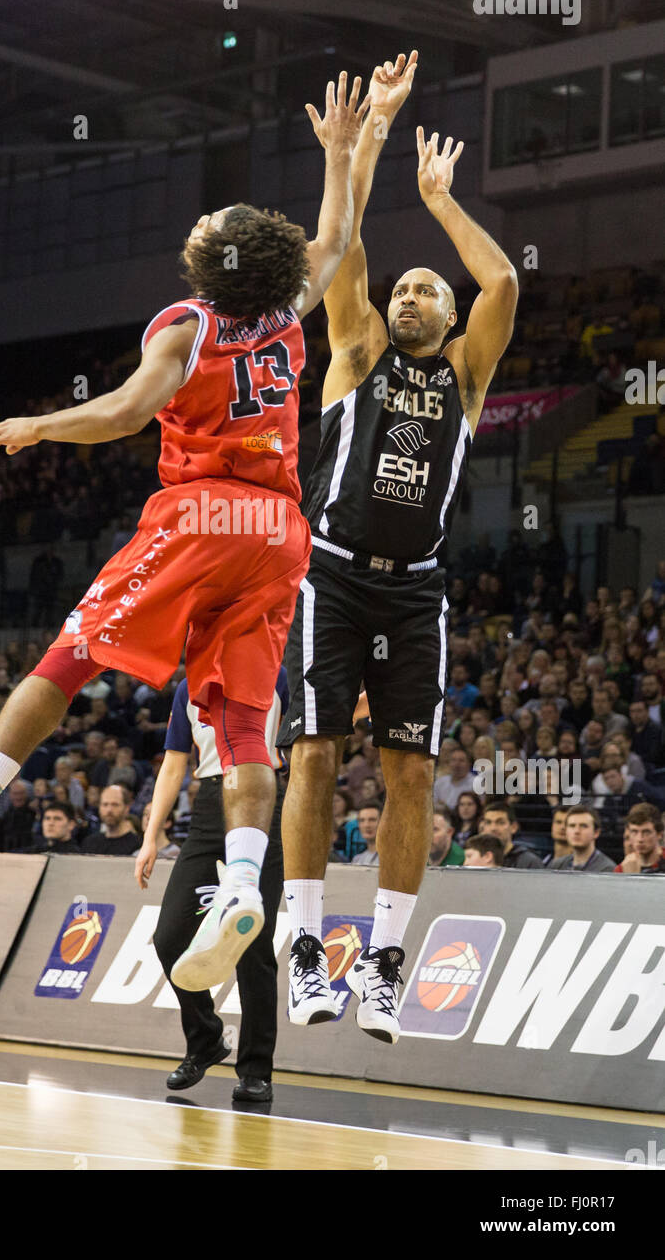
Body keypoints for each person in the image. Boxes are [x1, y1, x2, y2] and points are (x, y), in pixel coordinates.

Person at [0, 69, 365, 1000]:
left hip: (201, 515)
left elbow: (122, 412)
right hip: (280, 531)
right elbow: (340, 239)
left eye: (210, 227)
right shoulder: (285, 313)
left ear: (219, 265)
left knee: (71, 652)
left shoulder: (187, 324)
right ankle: (242, 883)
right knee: (240, 723)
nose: (198, 228)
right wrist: (340, 154)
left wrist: (39, 425)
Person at [279, 54, 518, 1043]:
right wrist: (368, 137)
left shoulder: (464, 377)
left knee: (410, 773)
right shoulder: (356, 350)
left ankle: (381, 963)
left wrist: (442, 201)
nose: (414, 293)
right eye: (408, 286)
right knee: (315, 755)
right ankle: (304, 953)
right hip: (329, 577)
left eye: (430, 288)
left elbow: (499, 274)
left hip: (415, 592)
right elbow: (344, 245)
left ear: (452, 318)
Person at [137, 668, 287, 1103]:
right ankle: (205, 1038)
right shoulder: (189, 686)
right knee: (170, 936)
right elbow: (172, 764)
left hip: (263, 800)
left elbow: (322, 722)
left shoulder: (278, 676)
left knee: (253, 942)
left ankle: (257, 1069)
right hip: (209, 804)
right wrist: (151, 837)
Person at [547, 805, 615, 873]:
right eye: (572, 826)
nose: (577, 831)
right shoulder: (556, 865)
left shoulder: (607, 869)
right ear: (566, 830)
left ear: (596, 832)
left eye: (583, 826)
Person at [80, 785, 143, 856]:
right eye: (105, 804)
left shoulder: (138, 845)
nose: (109, 810)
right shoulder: (89, 843)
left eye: (115, 804)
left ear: (126, 808)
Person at [479, 801, 544, 869]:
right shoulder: (475, 858)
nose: (493, 828)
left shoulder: (529, 861)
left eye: (500, 822)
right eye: (488, 822)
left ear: (513, 827)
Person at [614, 803, 665, 874]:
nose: (640, 839)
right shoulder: (622, 869)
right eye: (634, 832)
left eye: (646, 832)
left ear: (660, 834)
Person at [17, 801, 82, 855]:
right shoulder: (32, 852)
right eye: (47, 818)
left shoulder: (76, 855)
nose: (51, 823)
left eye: (57, 819)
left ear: (71, 825)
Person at [433, 747, 476, 811]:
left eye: (461, 760)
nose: (457, 764)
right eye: (453, 760)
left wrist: (446, 807)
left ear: (469, 764)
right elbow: (433, 805)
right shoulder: (440, 782)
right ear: (449, 763)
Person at [351, 801, 381, 866]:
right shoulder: (356, 860)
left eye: (372, 820)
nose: (366, 825)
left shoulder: (392, 857)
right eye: (362, 820)